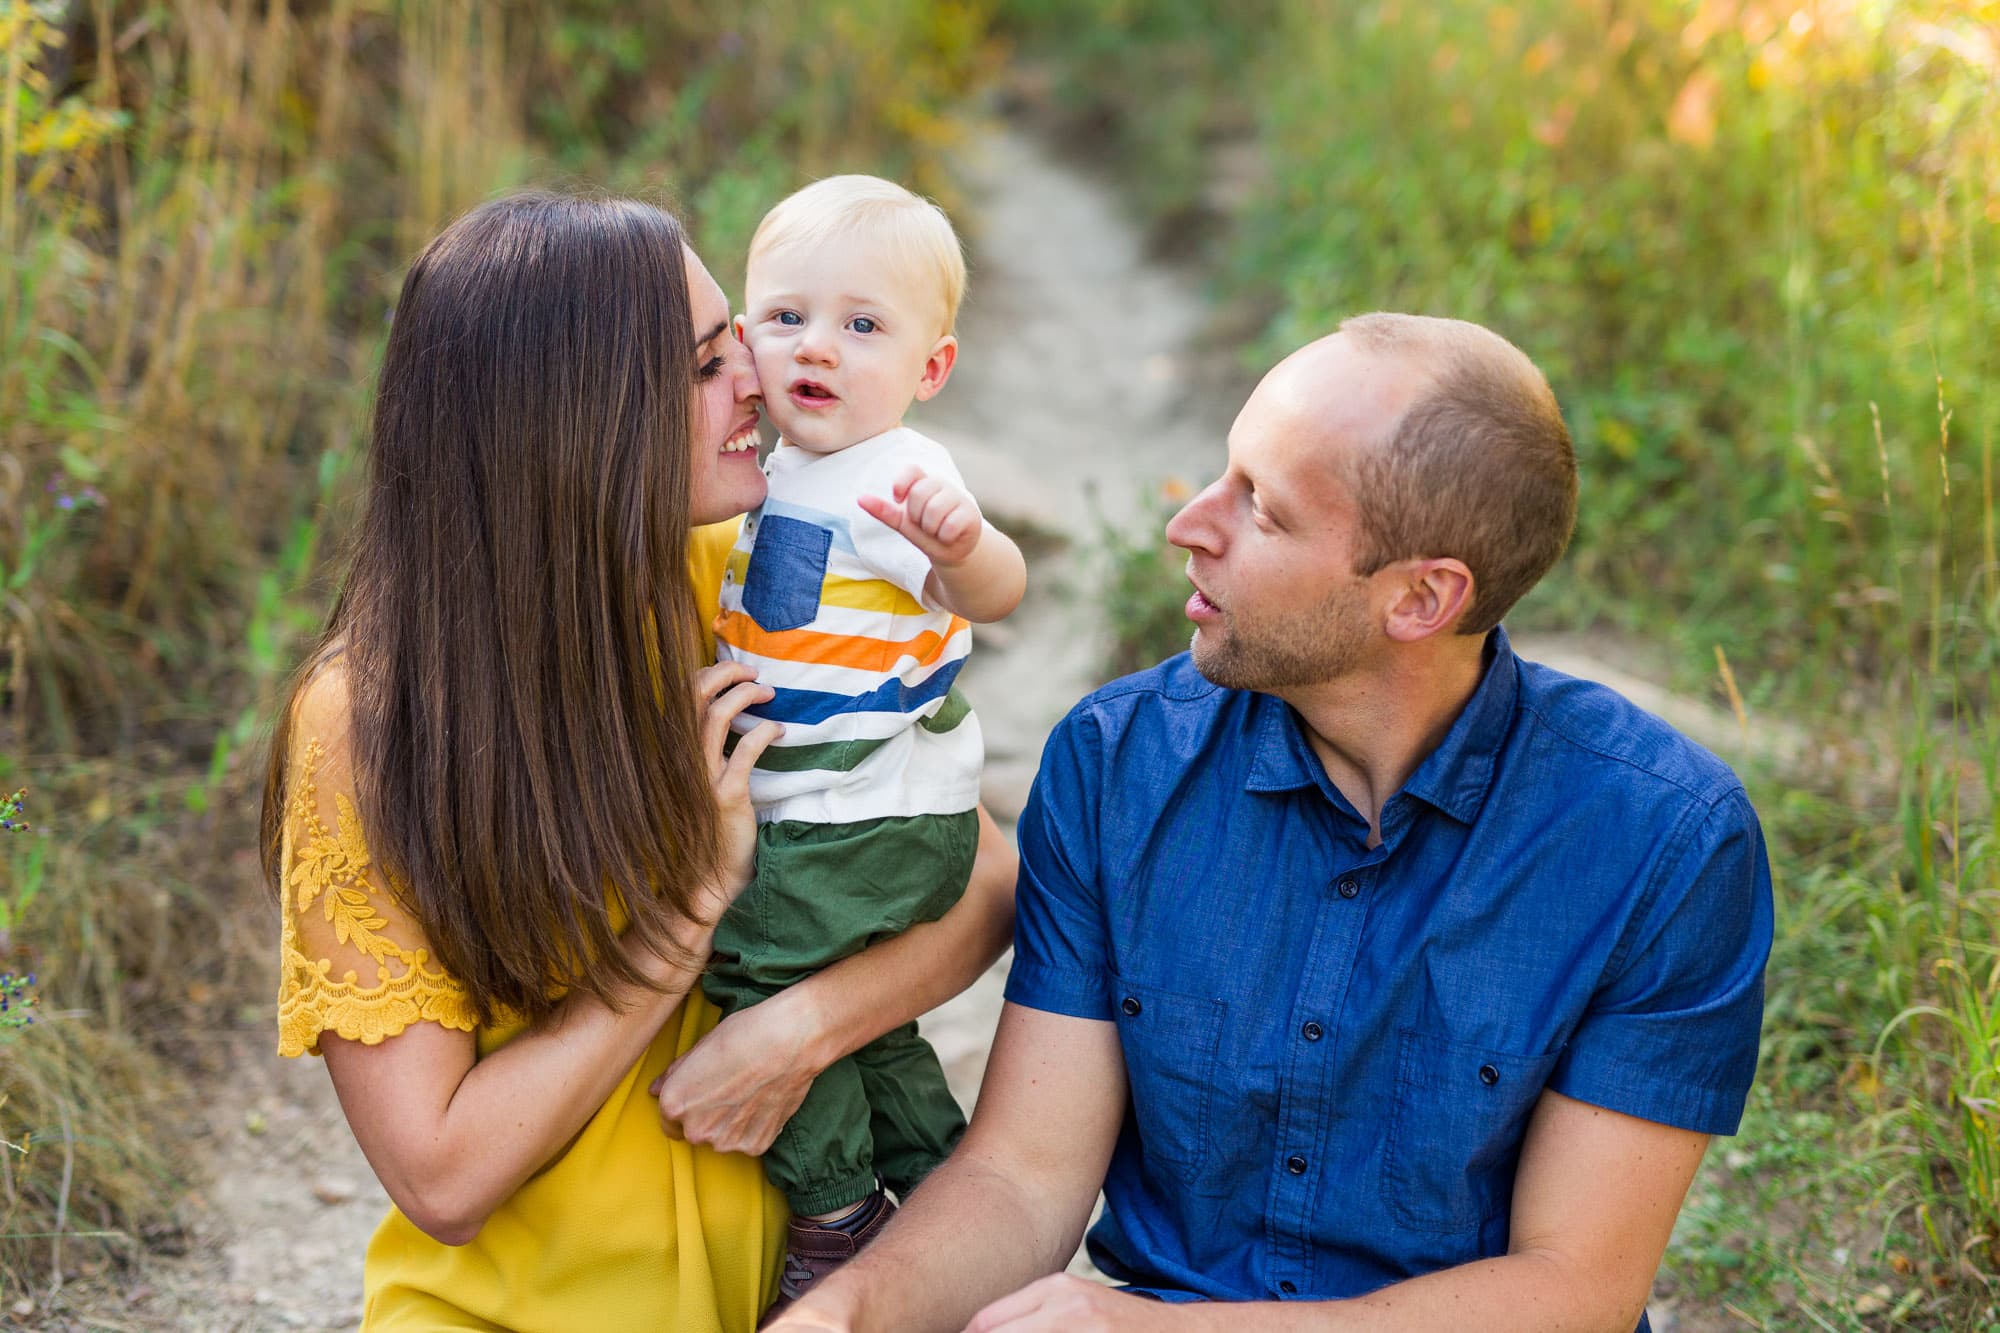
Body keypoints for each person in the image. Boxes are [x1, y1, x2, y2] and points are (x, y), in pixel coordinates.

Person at [771, 314, 1774, 1332]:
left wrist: (1161, 1330)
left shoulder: (1662, 843)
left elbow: (1573, 1288)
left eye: (1261, 508)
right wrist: (844, 1315)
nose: (1188, 524)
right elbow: (1022, 1179)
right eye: (1223, 471)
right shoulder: (1115, 764)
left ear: (1420, 597)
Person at [262, 191, 1016, 1333]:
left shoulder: (742, 572)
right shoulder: (368, 721)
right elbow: (441, 1175)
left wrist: (793, 1031)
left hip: (797, 1296)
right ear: (580, 417)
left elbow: (983, 886)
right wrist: (690, 913)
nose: (757, 381)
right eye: (711, 360)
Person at [703, 175, 1027, 1301]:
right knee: (864, 1026)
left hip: (869, 816)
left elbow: (993, 589)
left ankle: (835, 1213)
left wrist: (963, 544)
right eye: (788, 317)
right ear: (745, 338)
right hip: (838, 809)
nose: (819, 349)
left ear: (926, 370)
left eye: (862, 326)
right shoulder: (775, 465)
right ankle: (943, 1197)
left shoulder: (899, 475)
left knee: (746, 965)